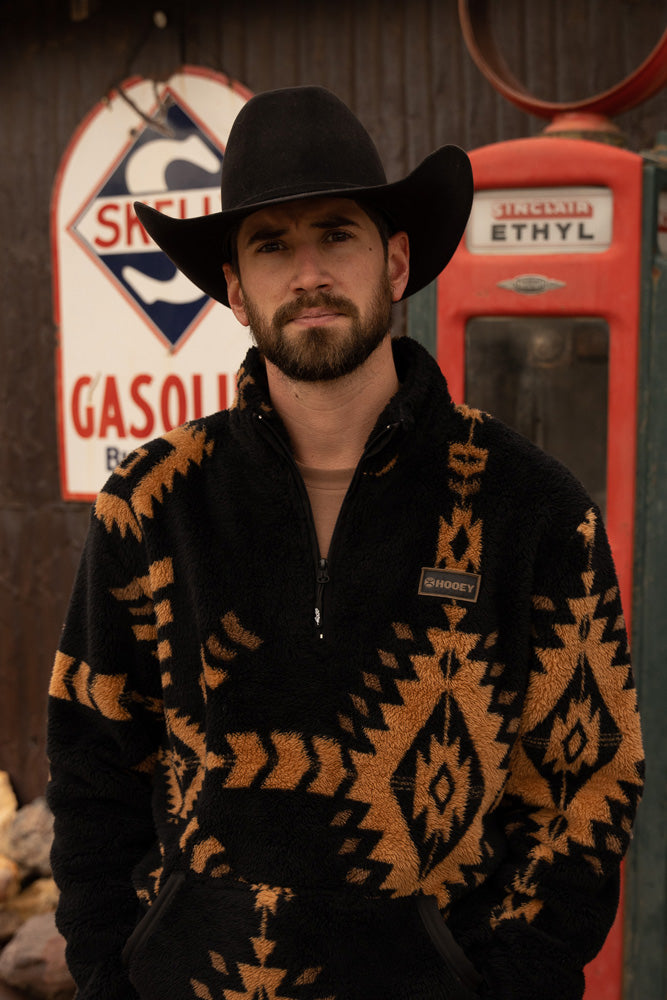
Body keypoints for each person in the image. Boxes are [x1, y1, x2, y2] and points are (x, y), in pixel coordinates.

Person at [46, 86, 644, 1000]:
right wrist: (111, 973)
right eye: (271, 245)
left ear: (396, 263)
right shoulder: (150, 504)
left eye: (337, 235)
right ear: (235, 289)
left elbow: (584, 785)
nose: (307, 273)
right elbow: (93, 770)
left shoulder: (532, 509)